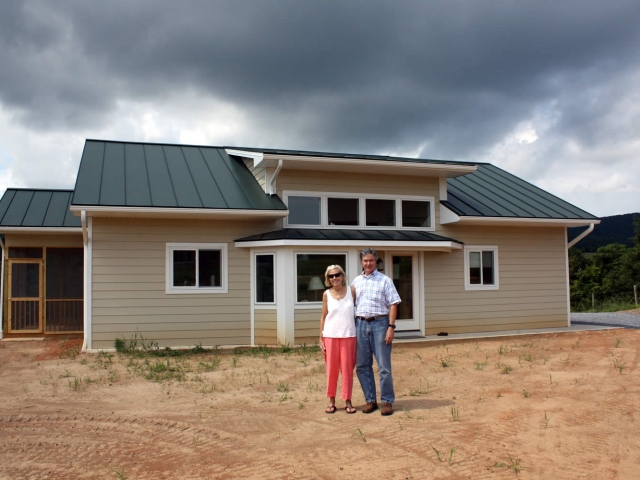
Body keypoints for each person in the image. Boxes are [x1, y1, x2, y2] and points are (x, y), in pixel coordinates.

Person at [351, 248, 401, 416]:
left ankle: (387, 401)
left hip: (380, 324)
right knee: (362, 366)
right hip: (360, 324)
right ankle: (370, 400)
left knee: (384, 366)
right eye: (365, 261)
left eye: (371, 260)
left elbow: (393, 303)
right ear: (361, 262)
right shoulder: (356, 281)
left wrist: (391, 327)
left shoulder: (385, 280)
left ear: (376, 261)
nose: (368, 263)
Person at [319, 265, 357, 414]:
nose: (334, 278)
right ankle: (331, 400)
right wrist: (320, 338)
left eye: (337, 275)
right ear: (328, 279)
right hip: (330, 335)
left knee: (347, 370)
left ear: (342, 276)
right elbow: (323, 317)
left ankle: (348, 400)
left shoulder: (352, 291)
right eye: (331, 276)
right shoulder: (326, 294)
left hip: (348, 335)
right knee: (331, 370)